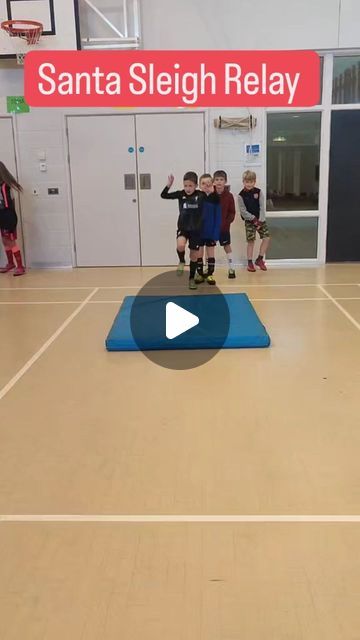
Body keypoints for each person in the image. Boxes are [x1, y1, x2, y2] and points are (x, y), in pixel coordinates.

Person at [161, 171, 203, 289]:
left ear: (196, 185)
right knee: (180, 245)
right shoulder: (180, 194)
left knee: (194, 256)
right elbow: (163, 195)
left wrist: (211, 189)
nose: (188, 188)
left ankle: (191, 278)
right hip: (183, 228)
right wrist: (169, 185)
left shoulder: (200, 195)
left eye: (190, 186)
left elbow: (214, 199)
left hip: (196, 230)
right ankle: (181, 261)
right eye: (185, 185)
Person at [238, 170, 270, 272]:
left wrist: (260, 221)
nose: (249, 184)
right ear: (243, 182)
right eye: (247, 182)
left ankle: (259, 260)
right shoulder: (240, 195)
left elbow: (261, 207)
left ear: (254, 182)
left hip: (261, 220)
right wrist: (254, 220)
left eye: (251, 182)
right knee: (251, 241)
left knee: (267, 238)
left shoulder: (259, 192)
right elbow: (243, 211)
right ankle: (250, 262)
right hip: (250, 221)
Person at [195, 174, 221, 285]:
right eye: (203, 183)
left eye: (208, 183)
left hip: (211, 232)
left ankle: (210, 274)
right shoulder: (196, 197)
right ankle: (200, 274)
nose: (206, 185)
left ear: (212, 184)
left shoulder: (215, 198)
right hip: (199, 232)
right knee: (199, 254)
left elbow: (218, 217)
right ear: (199, 185)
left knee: (210, 254)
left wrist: (216, 235)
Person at [0, 161, 25, 276]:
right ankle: (10, 263)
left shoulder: (5, 186)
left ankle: (20, 266)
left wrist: (9, 218)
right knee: (4, 241)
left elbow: (7, 204)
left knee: (10, 241)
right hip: (2, 216)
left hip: (7, 216)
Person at [213, 170, 236, 278]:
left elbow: (232, 212)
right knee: (209, 248)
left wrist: (226, 223)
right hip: (211, 229)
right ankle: (209, 271)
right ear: (213, 181)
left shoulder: (229, 196)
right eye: (217, 179)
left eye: (221, 180)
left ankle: (231, 268)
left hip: (224, 229)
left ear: (225, 181)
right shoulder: (209, 194)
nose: (219, 182)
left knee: (227, 246)